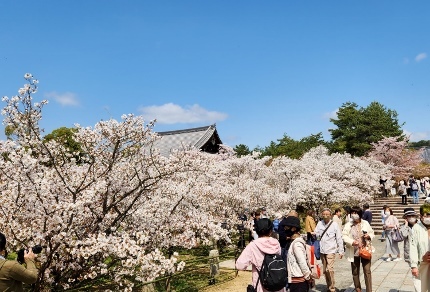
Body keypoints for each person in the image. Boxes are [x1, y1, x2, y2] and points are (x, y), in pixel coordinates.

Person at [236, 218, 285, 292]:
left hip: (261, 286)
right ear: (271, 231)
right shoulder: (276, 243)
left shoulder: (253, 246)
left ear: (257, 231)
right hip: (277, 284)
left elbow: (239, 265)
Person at [342, 206, 374, 292]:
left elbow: (372, 232)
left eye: (355, 213)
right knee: (355, 272)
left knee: (367, 271)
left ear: (359, 214)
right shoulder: (348, 225)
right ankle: (358, 289)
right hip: (354, 251)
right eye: (352, 213)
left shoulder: (365, 223)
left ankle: (369, 290)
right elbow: (344, 236)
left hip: (365, 250)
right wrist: (352, 242)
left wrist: (369, 236)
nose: (354, 215)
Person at [315, 208, 344, 292]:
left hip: (331, 249)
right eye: (324, 214)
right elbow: (317, 234)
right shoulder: (319, 223)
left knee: (329, 269)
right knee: (324, 270)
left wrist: (341, 251)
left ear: (330, 215)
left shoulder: (334, 225)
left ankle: (332, 287)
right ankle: (328, 285)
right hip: (322, 249)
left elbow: (339, 238)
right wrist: (316, 235)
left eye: (327, 214)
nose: (325, 216)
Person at [285, 216, 313, 292]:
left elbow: (302, 262)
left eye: (287, 227)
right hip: (296, 279)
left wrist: (308, 277)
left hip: (299, 281)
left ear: (293, 228)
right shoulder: (294, 242)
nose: (285, 229)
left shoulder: (297, 244)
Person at [409, 203, 430, 292]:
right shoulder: (416, 228)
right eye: (427, 215)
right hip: (422, 264)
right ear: (421, 216)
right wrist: (414, 266)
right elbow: (413, 248)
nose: (429, 217)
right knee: (422, 288)